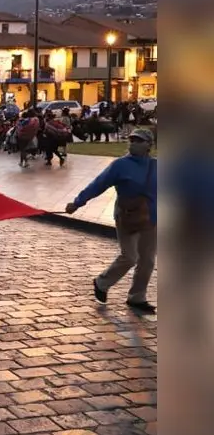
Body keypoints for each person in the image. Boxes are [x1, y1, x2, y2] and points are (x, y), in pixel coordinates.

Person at [66, 128, 157, 314]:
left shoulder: (157, 166)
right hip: (126, 216)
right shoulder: (120, 165)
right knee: (129, 256)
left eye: (138, 140)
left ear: (149, 145)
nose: (133, 143)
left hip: (151, 218)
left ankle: (137, 297)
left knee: (147, 260)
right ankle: (102, 282)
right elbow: (98, 184)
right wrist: (78, 202)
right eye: (131, 140)